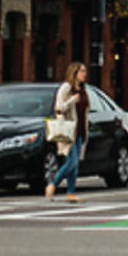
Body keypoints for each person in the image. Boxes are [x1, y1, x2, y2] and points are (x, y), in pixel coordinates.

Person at [47, 61, 89, 203]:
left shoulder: (83, 89)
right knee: (71, 162)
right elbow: (59, 108)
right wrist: (72, 100)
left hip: (80, 130)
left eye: (85, 71)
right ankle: (53, 184)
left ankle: (71, 192)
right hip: (69, 130)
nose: (84, 74)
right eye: (82, 71)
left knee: (75, 162)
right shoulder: (66, 88)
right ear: (74, 73)